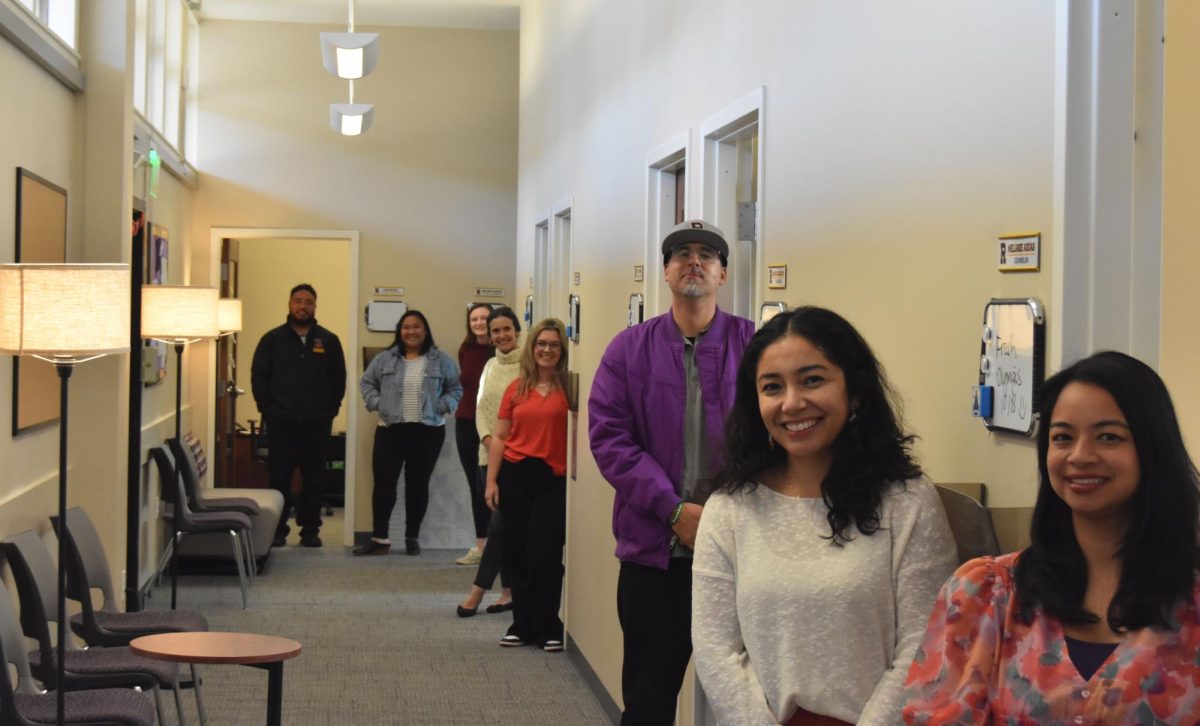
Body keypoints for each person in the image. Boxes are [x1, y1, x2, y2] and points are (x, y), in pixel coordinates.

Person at [901, 351, 1200, 724]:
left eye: (1108, 437)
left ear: (1153, 448)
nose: (1079, 455)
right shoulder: (985, 593)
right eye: (1062, 438)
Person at [691, 307, 956, 725]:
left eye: (813, 380)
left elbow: (924, 646)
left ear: (855, 391)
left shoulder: (907, 502)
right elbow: (714, 649)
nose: (793, 403)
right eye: (772, 387)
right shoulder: (729, 509)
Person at [588, 219, 755, 724]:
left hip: (743, 555)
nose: (694, 261)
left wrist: (728, 513)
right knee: (649, 698)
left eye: (708, 254)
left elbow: (780, 437)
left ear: (723, 273)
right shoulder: (627, 349)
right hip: (654, 559)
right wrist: (672, 510)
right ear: (665, 271)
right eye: (682, 253)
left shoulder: (756, 346)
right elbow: (610, 439)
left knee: (753, 695)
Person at [485, 318, 569, 652]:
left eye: (553, 344)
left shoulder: (569, 390)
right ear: (532, 348)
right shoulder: (516, 389)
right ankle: (521, 624)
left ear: (562, 350)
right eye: (541, 344)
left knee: (545, 555)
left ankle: (549, 624)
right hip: (516, 475)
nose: (546, 350)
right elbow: (501, 437)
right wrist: (491, 481)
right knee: (516, 552)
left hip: (552, 478)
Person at [355, 310, 462, 556]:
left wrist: (443, 406)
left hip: (427, 432)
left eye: (416, 327)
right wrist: (378, 403)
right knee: (383, 483)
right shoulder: (385, 359)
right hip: (391, 430)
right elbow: (366, 383)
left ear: (425, 331)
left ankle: (411, 536)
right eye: (406, 327)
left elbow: (455, 387)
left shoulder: (440, 360)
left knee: (417, 484)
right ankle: (379, 539)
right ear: (399, 331)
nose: (411, 331)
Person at [251, 283, 347, 548]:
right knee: (279, 477)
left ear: (315, 306)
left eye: (308, 302)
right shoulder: (272, 339)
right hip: (281, 422)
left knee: (314, 477)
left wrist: (331, 409)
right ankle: (278, 529)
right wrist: (267, 409)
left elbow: (339, 378)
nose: (302, 306)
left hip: (317, 422)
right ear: (289, 304)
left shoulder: (328, 340)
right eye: (297, 301)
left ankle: (310, 530)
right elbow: (259, 376)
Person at [457, 307, 521, 617]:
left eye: (507, 329)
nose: (501, 335)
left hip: (517, 456)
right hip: (489, 454)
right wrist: (488, 440)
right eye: (496, 331)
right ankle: (508, 592)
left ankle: (477, 592)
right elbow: (480, 409)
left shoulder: (529, 366)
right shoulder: (490, 366)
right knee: (501, 524)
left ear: (518, 331)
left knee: (498, 526)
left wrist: (506, 444)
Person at [455, 303, 496, 566]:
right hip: (466, 422)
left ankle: (497, 544)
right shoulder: (465, 350)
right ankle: (480, 545)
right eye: (474, 319)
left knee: (490, 484)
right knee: (475, 486)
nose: (479, 323)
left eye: (484, 318)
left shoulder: (501, 351)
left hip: (492, 429)